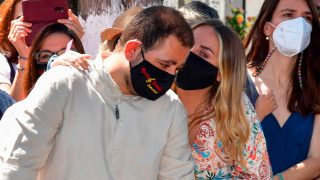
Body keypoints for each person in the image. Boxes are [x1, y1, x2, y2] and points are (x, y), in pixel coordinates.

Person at [0, 6, 195, 180]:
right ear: (132, 49)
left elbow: (177, 174)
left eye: (177, 69)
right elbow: (18, 164)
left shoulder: (170, 108)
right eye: (165, 64)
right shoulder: (65, 84)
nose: (170, 75)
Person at [174, 19, 272, 179]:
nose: (188, 55)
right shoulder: (158, 98)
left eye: (203, 54)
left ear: (221, 73)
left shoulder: (237, 108)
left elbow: (255, 175)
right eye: (188, 44)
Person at [244, 0, 320, 179]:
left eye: (307, 18)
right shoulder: (238, 82)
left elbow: (317, 160)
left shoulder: (315, 87)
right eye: (288, 14)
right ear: (266, 27)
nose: (299, 24)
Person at [0, 0, 84, 101]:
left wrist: (75, 44)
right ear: (10, 26)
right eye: (24, 18)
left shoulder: (70, 48)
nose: (35, 24)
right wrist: (24, 57)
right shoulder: (4, 62)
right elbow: (10, 108)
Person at [22, 23, 86, 99]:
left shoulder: (97, 94)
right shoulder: (29, 107)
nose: (58, 61)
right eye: (46, 56)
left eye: (65, 53)